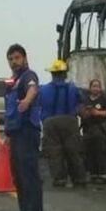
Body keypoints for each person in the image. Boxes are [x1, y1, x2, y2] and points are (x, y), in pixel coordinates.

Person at [3, 43, 43, 211]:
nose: (14, 62)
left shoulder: (28, 76)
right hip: (16, 134)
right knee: (18, 177)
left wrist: (27, 101)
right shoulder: (12, 81)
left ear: (25, 58)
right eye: (11, 59)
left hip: (28, 132)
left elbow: (33, 89)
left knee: (29, 176)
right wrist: (8, 135)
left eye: (17, 58)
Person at [38, 59, 87, 188]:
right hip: (70, 121)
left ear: (53, 74)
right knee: (74, 152)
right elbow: (82, 104)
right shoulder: (73, 88)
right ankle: (79, 179)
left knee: (55, 152)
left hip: (50, 122)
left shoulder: (43, 89)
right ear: (65, 74)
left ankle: (60, 179)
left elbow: (39, 105)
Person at [80, 79, 106, 185]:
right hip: (88, 129)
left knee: (102, 152)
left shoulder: (104, 99)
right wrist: (85, 113)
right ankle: (93, 174)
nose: (95, 88)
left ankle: (104, 174)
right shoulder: (85, 99)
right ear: (90, 88)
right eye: (93, 86)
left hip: (100, 128)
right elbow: (80, 111)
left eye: (97, 86)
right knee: (89, 152)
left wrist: (97, 113)